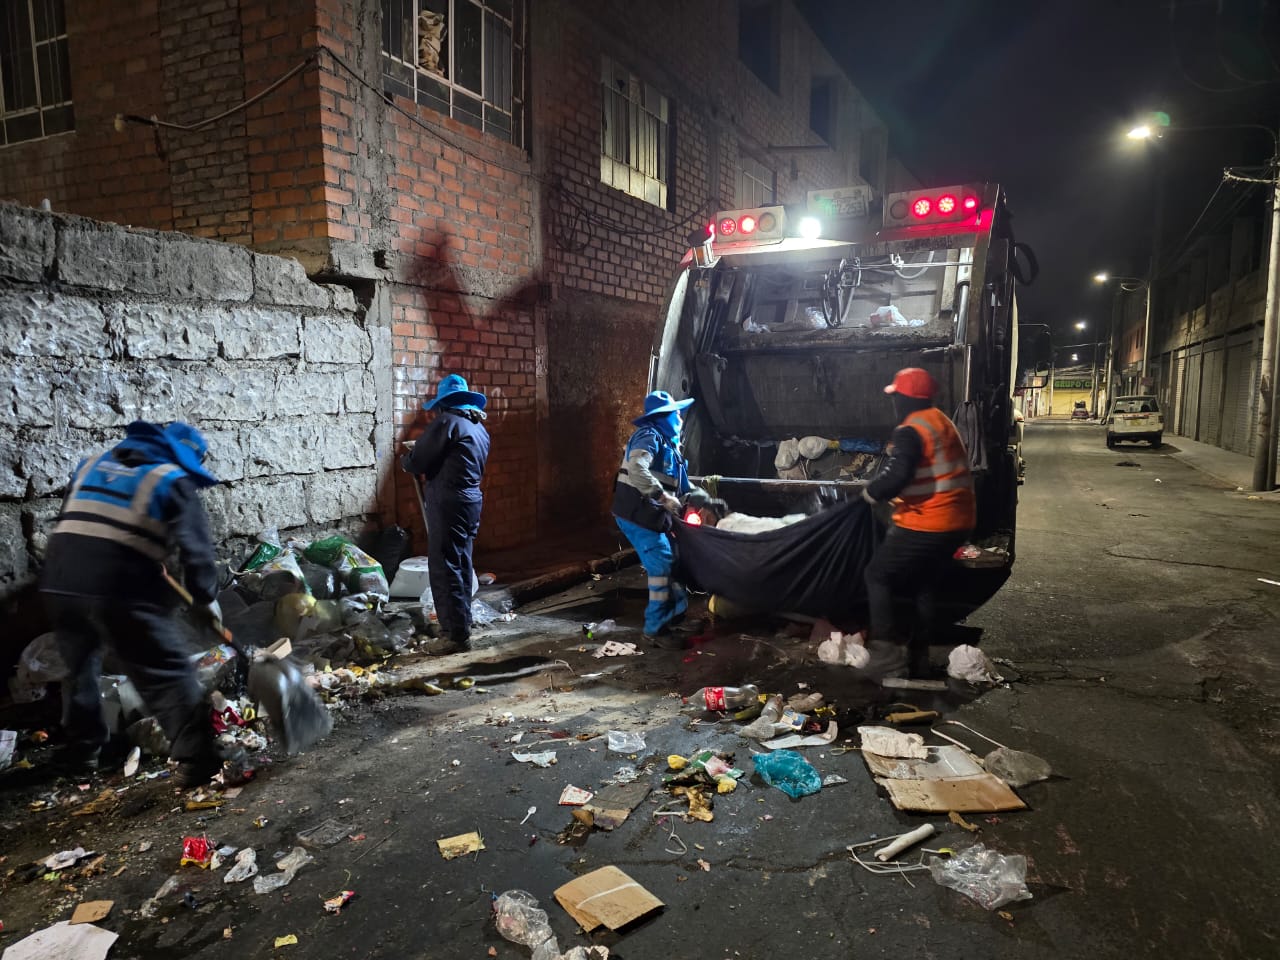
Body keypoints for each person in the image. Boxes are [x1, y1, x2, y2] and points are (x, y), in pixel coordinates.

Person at [39, 421, 227, 786]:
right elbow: (198, 554)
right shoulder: (170, 478)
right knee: (163, 668)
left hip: (59, 581)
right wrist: (205, 600)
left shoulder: (92, 462)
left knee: (80, 670)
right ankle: (198, 760)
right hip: (115, 585)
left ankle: (83, 753)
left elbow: (86, 522)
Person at [861, 368, 976, 678]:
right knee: (922, 584)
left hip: (929, 521)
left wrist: (871, 493)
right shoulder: (940, 420)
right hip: (958, 520)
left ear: (905, 398)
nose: (894, 402)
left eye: (896, 396)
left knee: (877, 575)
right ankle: (918, 656)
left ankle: (885, 657)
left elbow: (898, 475)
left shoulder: (911, 429)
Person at [402, 373, 490, 652]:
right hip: (470, 500)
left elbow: (418, 460)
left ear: (442, 405)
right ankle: (462, 624)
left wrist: (408, 460)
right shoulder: (477, 426)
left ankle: (453, 636)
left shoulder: (446, 422)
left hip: (449, 500)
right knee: (461, 561)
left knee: (445, 567)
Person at [612, 390, 707, 644]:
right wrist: (662, 497)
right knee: (661, 566)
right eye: (676, 413)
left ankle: (675, 617)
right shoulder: (648, 437)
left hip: (651, 515)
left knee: (674, 561)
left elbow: (684, 486)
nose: (680, 417)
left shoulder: (670, 447)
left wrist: (706, 498)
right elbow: (637, 468)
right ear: (663, 416)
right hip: (636, 514)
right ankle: (656, 630)